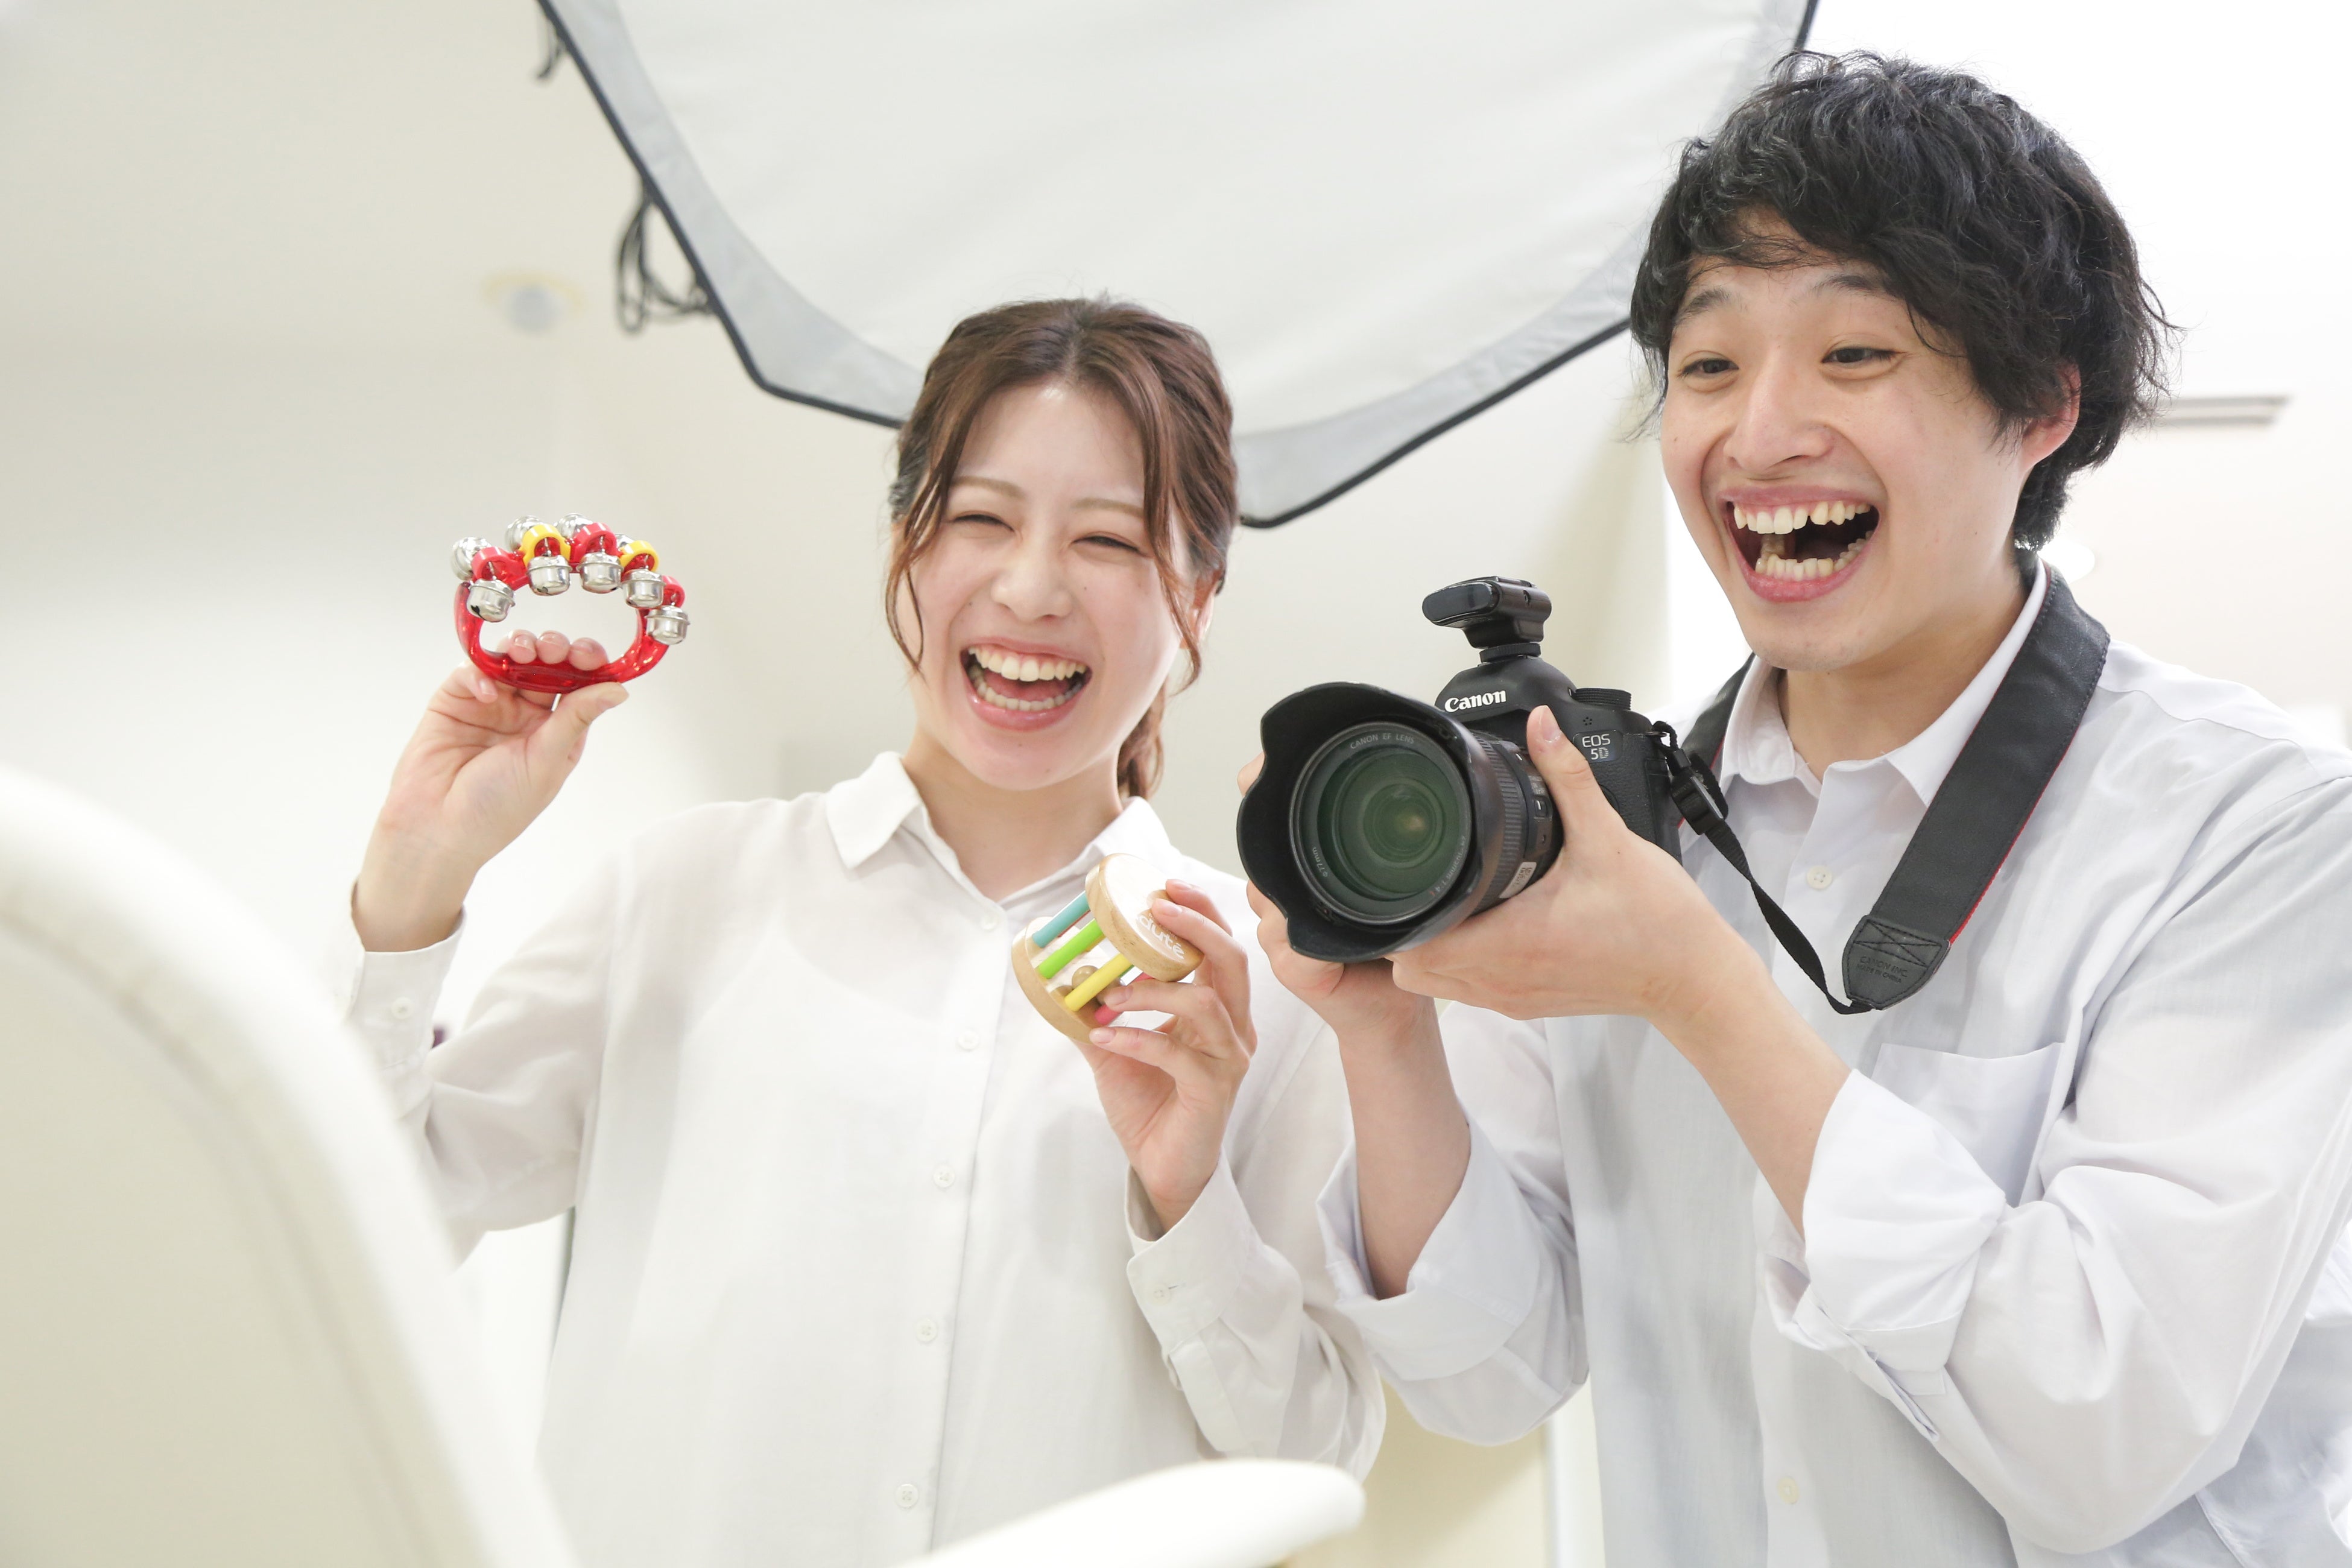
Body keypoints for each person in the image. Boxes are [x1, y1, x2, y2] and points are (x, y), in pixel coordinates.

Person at [1256, 53, 2352, 1566]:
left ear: (2042, 405)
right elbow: (1489, 1373)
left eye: (1855, 352)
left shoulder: (2255, 830)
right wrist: (1385, 1032)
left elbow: (2102, 1430)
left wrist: (1701, 995)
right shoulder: (1611, 824)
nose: (1761, 433)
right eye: (1709, 365)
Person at [346, 299, 1379, 1567]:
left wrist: (1189, 1202)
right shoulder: (684, 892)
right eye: (981, 518)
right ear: (906, 538)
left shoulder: (1266, 987)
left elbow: (1317, 1460)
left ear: (1200, 600)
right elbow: (367, 1236)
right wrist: (413, 883)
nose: (1030, 587)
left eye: (1108, 539)